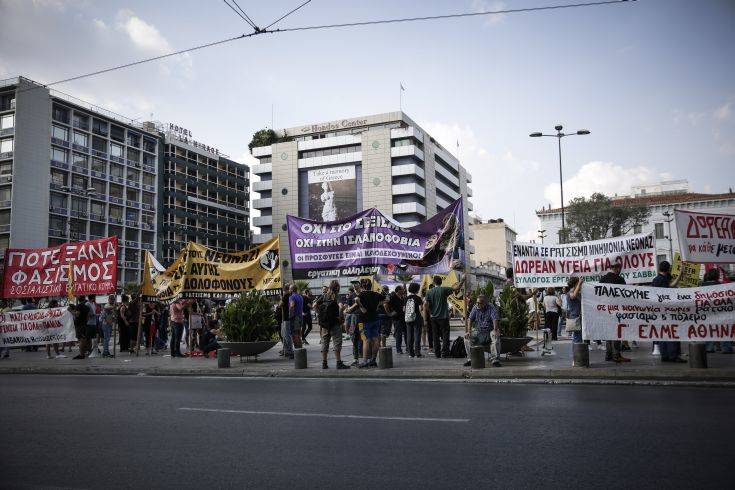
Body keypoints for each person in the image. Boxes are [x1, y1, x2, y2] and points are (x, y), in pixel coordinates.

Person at [652, 261, 686, 363]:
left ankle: (665, 355)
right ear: (668, 270)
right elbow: (671, 287)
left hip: (659, 311)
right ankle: (673, 355)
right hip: (668, 310)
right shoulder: (663, 280)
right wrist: (680, 273)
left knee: (663, 332)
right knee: (672, 331)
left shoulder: (655, 280)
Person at [424, 275, 464, 358]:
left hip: (433, 317)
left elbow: (425, 305)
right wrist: (463, 279)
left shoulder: (429, 292)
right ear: (441, 282)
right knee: (445, 335)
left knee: (435, 336)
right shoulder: (444, 290)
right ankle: (444, 353)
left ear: (433, 282)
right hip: (443, 317)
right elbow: (457, 288)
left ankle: (437, 353)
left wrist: (430, 312)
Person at [347, 279, 384, 367]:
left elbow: (356, 299)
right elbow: (386, 299)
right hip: (375, 319)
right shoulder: (376, 294)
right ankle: (373, 359)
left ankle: (364, 361)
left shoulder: (362, 294)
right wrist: (378, 305)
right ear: (371, 285)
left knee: (365, 340)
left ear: (362, 286)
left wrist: (361, 307)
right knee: (376, 339)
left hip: (363, 321)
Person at [599, 263, 631, 363]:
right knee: (617, 332)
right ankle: (616, 355)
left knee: (609, 333)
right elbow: (624, 294)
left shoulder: (603, 279)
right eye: (620, 268)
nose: (620, 270)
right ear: (617, 269)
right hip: (617, 309)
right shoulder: (619, 279)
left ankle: (608, 355)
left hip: (605, 309)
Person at [315, 280, 350, 369]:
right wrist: (340, 316)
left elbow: (314, 305)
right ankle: (338, 363)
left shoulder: (324, 296)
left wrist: (320, 314)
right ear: (337, 288)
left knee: (325, 342)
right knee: (337, 342)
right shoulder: (337, 296)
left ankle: (324, 363)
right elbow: (341, 307)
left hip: (325, 324)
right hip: (335, 323)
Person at [464, 294, 502, 367]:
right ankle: (471, 359)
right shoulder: (475, 307)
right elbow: (470, 319)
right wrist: (469, 331)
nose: (478, 304)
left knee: (495, 335)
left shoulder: (491, 307)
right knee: (466, 337)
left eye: (480, 303)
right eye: (477, 302)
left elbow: (495, 319)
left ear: (485, 303)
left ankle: (495, 360)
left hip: (489, 330)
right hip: (479, 330)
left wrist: (495, 330)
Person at [701, 268, 732, 354]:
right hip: (720, 311)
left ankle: (709, 347)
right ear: (717, 276)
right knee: (723, 329)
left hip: (707, 311)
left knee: (709, 329)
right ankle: (726, 348)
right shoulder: (721, 286)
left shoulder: (702, 285)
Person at [404, 282, 424, 358]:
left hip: (408, 318)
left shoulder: (406, 298)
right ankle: (417, 352)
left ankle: (410, 353)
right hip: (417, 318)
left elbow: (404, 309)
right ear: (417, 289)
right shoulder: (418, 298)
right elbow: (421, 308)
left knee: (409, 335)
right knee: (417, 335)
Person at [385, 285, 407, 354]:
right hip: (397, 319)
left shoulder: (403, 297)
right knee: (398, 334)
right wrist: (389, 313)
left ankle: (408, 348)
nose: (404, 291)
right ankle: (399, 349)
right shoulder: (392, 297)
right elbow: (385, 305)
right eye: (402, 289)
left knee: (406, 333)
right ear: (398, 290)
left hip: (404, 318)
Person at [542, 287, 561, 354]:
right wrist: (559, 298)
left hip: (548, 312)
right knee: (554, 325)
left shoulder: (545, 297)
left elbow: (543, 305)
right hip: (554, 312)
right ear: (553, 291)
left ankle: (547, 337)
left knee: (547, 325)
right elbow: (559, 304)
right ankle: (554, 337)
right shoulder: (555, 297)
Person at [566, 278, 584, 344]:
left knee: (579, 335)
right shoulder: (570, 293)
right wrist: (579, 283)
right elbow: (573, 296)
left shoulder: (576, 293)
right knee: (577, 336)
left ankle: (577, 350)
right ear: (575, 285)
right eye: (578, 284)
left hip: (578, 316)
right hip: (575, 316)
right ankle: (576, 351)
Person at [289, 284, 304, 350]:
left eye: (290, 289)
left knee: (295, 334)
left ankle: (297, 350)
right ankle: (300, 350)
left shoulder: (292, 297)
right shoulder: (300, 296)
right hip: (300, 317)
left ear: (292, 290)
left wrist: (290, 315)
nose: (289, 290)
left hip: (295, 317)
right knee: (298, 333)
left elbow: (292, 305)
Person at [280, 285, 294, 359]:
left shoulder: (286, 296)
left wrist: (280, 299)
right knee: (283, 334)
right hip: (286, 318)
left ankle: (290, 351)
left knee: (287, 335)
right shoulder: (290, 296)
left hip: (286, 318)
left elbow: (280, 305)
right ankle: (286, 350)